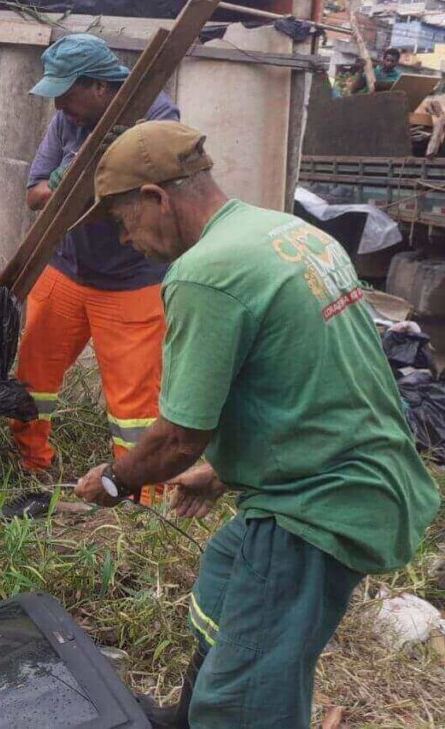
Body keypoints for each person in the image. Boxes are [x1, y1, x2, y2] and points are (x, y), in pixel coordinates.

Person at [74, 120, 440, 728]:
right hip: (368, 471)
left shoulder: (205, 273)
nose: (126, 240)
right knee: (223, 576)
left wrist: (114, 480)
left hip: (317, 504)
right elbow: (310, 378)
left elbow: (175, 440)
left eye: (123, 221)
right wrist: (221, 472)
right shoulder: (287, 232)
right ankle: (188, 716)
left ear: (156, 198)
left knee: (244, 700)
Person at [14, 33, 178, 503]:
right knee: (33, 380)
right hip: (65, 270)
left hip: (132, 282)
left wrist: (98, 172)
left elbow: (149, 193)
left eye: (66, 94)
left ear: (99, 87)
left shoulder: (157, 115)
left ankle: (140, 498)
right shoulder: (66, 121)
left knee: (135, 403)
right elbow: (35, 195)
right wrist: (69, 180)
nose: (59, 105)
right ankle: (28, 466)